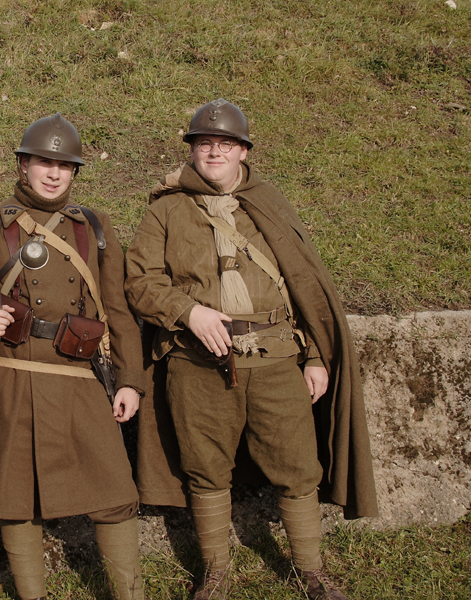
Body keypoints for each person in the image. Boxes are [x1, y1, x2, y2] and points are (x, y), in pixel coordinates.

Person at [124, 99, 378, 600]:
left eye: (224, 144)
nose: (213, 151)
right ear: (192, 151)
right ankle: (216, 573)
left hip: (277, 360)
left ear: (243, 151)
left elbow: (304, 284)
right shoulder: (165, 210)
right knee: (205, 467)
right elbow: (139, 282)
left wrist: (313, 357)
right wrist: (188, 312)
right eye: (203, 143)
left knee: (298, 466)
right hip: (197, 364)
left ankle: (312, 571)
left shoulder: (270, 203)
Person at [0, 113, 146, 600]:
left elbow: (118, 308)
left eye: (64, 166)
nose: (53, 173)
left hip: (81, 378)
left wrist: (129, 379)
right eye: (43, 162)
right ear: (23, 164)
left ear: (74, 173)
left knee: (115, 494)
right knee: (15, 501)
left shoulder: (93, 227)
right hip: (11, 377)